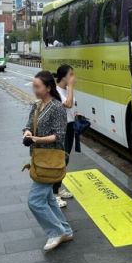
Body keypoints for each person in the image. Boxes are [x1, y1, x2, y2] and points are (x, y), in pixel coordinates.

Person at [23, 70, 73, 252]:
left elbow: (59, 136)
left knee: (35, 201)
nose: (34, 89)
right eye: (34, 86)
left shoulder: (57, 107)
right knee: (49, 199)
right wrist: (27, 132)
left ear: (48, 88)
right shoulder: (36, 106)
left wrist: (36, 139)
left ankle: (55, 232)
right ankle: (65, 231)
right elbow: (28, 125)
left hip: (50, 162)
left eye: (38, 86)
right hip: (38, 158)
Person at [53, 64, 77, 207]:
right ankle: (54, 194)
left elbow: (71, 106)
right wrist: (71, 87)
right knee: (60, 161)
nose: (73, 77)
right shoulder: (56, 91)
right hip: (61, 129)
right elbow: (68, 104)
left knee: (65, 159)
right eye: (71, 75)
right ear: (63, 77)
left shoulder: (66, 89)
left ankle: (58, 189)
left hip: (70, 125)